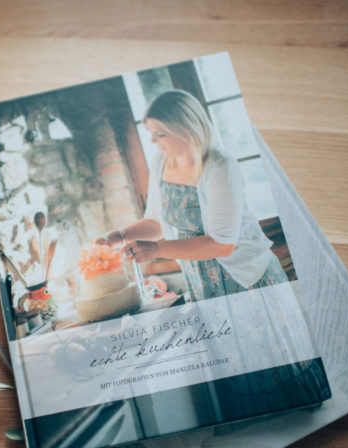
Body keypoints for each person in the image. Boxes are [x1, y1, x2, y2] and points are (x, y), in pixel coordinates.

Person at [96, 90, 286, 301]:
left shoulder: (219, 166)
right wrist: (118, 236)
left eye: (160, 134)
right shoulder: (161, 162)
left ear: (187, 129)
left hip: (245, 279)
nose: (151, 140)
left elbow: (222, 245)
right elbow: (156, 223)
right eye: (150, 132)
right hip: (201, 282)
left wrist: (157, 249)